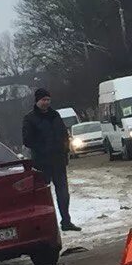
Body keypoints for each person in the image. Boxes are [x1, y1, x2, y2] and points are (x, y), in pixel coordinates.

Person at [22, 88, 81, 232]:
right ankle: (45, 225)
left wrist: (65, 150)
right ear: (37, 101)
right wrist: (42, 149)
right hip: (42, 164)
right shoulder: (29, 119)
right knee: (43, 195)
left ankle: (66, 221)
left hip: (58, 161)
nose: (46, 102)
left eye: (48, 100)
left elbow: (64, 134)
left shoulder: (55, 116)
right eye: (43, 100)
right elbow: (27, 140)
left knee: (63, 194)